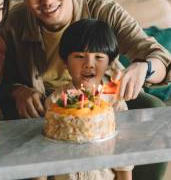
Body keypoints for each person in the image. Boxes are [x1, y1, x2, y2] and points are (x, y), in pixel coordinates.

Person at [1, 0, 171, 179]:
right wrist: (18, 91)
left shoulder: (103, 10)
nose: (47, 0)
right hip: (45, 106)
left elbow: (161, 59)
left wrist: (143, 68)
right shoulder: (13, 21)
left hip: (103, 97)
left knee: (155, 110)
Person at [42, 19, 132, 180]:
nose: (89, 64)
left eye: (98, 57)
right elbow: (43, 152)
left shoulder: (115, 102)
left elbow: (123, 155)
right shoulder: (56, 102)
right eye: (79, 56)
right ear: (65, 62)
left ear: (110, 63)